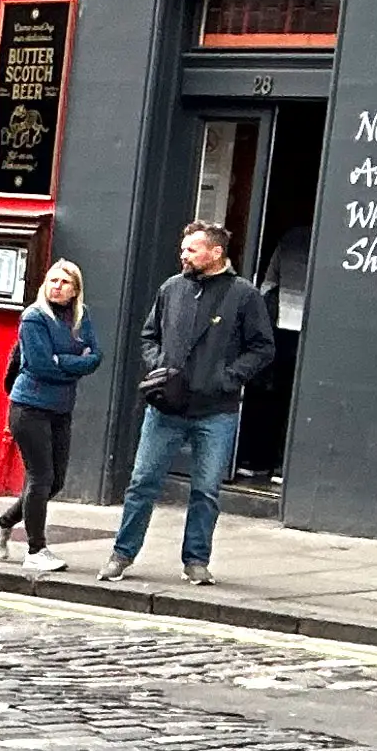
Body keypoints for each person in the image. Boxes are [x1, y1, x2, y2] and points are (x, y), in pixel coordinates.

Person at [110, 220, 277, 585]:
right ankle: (122, 554)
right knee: (142, 483)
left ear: (216, 253)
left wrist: (227, 378)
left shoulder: (244, 295)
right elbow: (148, 335)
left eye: (191, 249)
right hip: (165, 408)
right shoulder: (171, 288)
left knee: (205, 491)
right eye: (183, 249)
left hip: (216, 411)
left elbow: (263, 348)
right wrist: (159, 366)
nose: (183, 255)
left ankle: (196, 561)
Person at [0, 257, 102, 572]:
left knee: (55, 481)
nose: (57, 287)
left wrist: (62, 361)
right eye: (52, 280)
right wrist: (72, 362)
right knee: (40, 477)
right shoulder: (34, 318)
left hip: (60, 408)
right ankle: (35, 550)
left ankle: (2, 522)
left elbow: (95, 357)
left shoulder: (82, 317)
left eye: (64, 282)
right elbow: (41, 365)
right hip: (29, 407)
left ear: (75, 290)